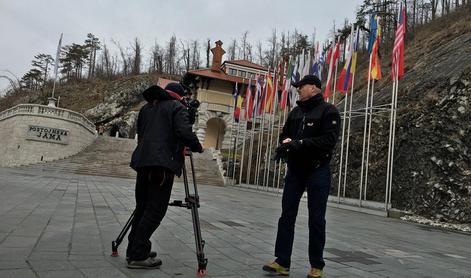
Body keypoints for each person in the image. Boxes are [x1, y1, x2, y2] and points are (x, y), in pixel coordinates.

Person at [263, 75, 341, 278]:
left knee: (316, 219)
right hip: (295, 170)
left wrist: (301, 143)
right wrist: (285, 144)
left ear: (314, 88)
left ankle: (317, 266)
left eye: (301, 86)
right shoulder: (296, 112)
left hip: (318, 170)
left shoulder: (328, 111)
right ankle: (282, 261)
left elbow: (329, 140)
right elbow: (285, 134)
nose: (298, 89)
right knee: (287, 215)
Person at [126, 82, 203, 269]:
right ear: (178, 96)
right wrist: (197, 146)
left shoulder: (146, 108)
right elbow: (184, 132)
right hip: (162, 165)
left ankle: (135, 249)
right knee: (155, 210)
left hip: (143, 162)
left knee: (142, 208)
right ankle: (138, 254)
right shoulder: (177, 107)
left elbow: (142, 133)